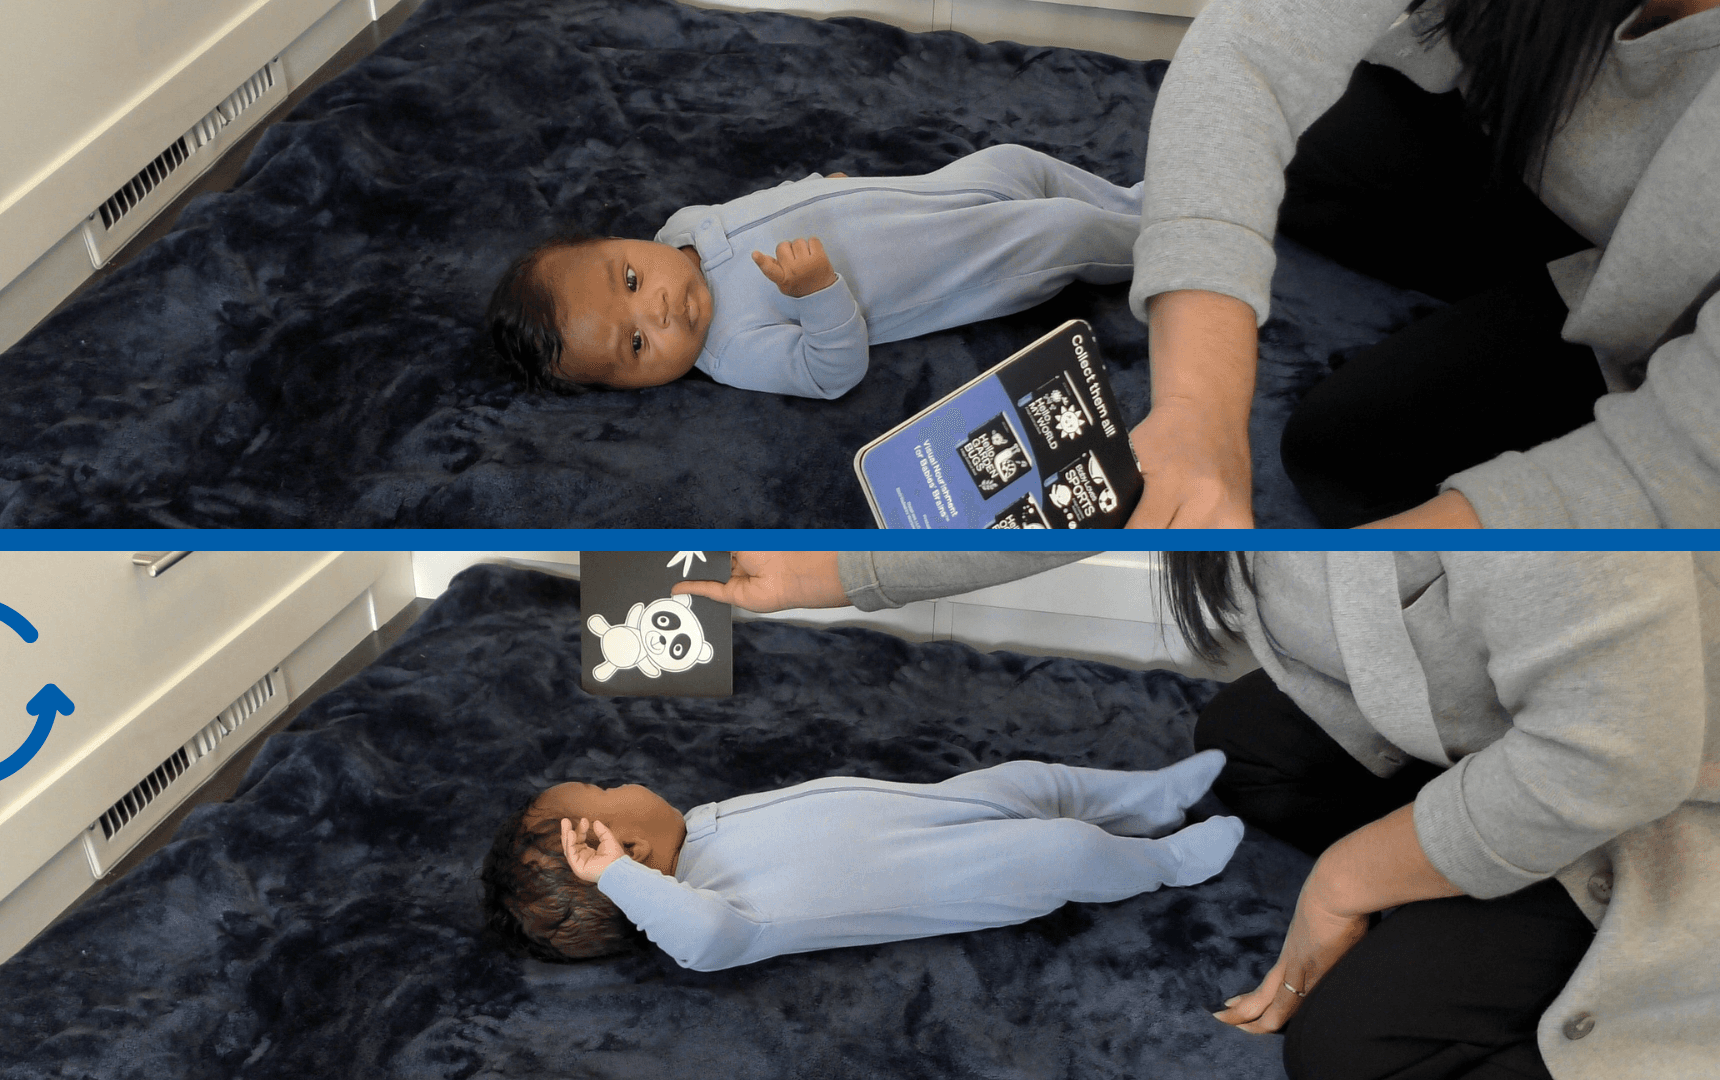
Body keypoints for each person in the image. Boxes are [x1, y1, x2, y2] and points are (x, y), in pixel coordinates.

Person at [675, 551, 1719, 1080]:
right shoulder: (704, 874)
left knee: (1344, 1048)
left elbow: (1624, 745)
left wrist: (1353, 877)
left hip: (1657, 793)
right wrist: (845, 572)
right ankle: (1162, 852)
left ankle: (1160, 830)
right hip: (1554, 720)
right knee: (1205, 768)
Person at [1124, 0, 1720, 527]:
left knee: (1344, 453)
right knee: (1291, 157)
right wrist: (1197, 411)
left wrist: (1336, 603)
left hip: (1666, 309)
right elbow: (1256, 47)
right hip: (1518, 143)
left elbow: (1679, 469)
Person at [484, 144, 1142, 399]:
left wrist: (814, 188)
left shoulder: (681, 227)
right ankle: (1164, 246)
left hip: (929, 192)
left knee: (1015, 163)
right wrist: (819, 293)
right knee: (1062, 232)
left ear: (620, 241)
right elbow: (832, 374)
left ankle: (1137, 202)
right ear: (635, 384)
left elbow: (763, 208)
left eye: (629, 281)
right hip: (968, 266)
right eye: (635, 345)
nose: (655, 310)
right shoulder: (732, 349)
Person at [480, 752, 1244, 970]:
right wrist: (613, 877)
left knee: (1028, 779)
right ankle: (1166, 861)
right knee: (1064, 850)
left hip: (935, 807)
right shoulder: (722, 919)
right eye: (610, 788)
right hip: (962, 879)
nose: (625, 778)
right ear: (634, 854)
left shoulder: (697, 829)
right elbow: (701, 940)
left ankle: (1145, 797)